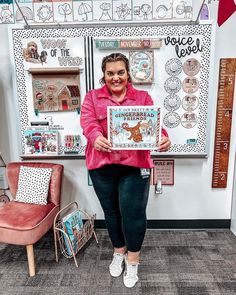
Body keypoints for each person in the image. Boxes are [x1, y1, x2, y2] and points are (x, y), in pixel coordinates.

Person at [80, 53, 171, 288]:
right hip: (102, 165)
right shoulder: (92, 97)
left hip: (135, 165)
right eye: (110, 73)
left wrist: (163, 138)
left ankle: (133, 261)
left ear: (127, 73)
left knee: (134, 213)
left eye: (120, 72)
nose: (116, 77)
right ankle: (118, 252)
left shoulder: (142, 97)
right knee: (111, 212)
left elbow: (154, 126)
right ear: (104, 75)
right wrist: (95, 136)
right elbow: (88, 122)